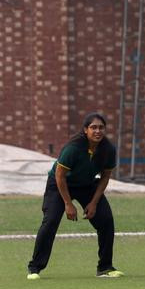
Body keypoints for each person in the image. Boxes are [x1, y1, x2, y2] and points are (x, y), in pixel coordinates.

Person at [27, 113, 124, 280]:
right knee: (50, 221)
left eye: (101, 127)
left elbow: (105, 176)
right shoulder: (73, 148)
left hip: (87, 184)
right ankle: (35, 267)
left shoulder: (108, 149)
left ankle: (105, 267)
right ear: (85, 130)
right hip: (60, 185)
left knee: (106, 220)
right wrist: (67, 203)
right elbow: (59, 176)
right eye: (93, 127)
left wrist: (93, 203)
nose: (97, 131)